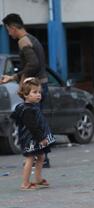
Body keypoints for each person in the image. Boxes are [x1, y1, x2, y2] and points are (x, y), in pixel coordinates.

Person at [0, 13, 51, 167]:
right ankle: (41, 158)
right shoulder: (32, 39)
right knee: (37, 123)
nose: (9, 33)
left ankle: (41, 158)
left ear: (14, 28)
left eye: (8, 30)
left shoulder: (23, 41)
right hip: (40, 86)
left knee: (33, 124)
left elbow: (33, 64)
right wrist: (13, 77)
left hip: (34, 89)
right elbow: (34, 64)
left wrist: (22, 81)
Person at [10, 78, 55, 190]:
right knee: (30, 158)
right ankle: (25, 183)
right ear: (25, 95)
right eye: (35, 92)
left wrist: (33, 81)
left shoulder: (33, 105)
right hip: (30, 139)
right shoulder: (27, 110)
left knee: (41, 156)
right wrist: (41, 138)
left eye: (39, 92)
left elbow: (42, 96)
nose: (38, 95)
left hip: (35, 138)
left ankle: (38, 179)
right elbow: (32, 127)